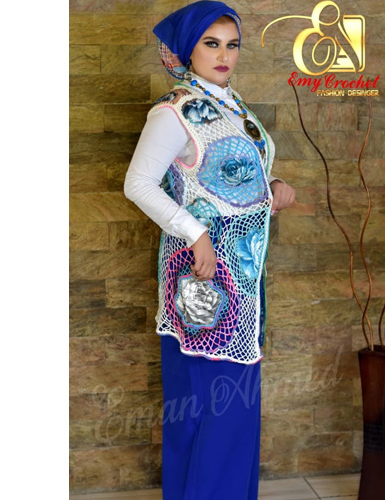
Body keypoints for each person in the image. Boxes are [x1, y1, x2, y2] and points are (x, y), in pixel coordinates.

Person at [123, 1, 295, 498]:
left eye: (232, 45)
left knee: (232, 404)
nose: (224, 55)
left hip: (243, 274)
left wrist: (273, 186)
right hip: (203, 277)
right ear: (188, 50)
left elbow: (223, 179)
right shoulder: (175, 111)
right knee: (208, 404)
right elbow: (138, 183)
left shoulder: (230, 104)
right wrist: (194, 231)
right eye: (211, 44)